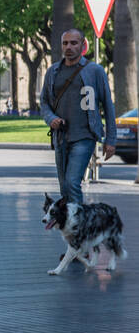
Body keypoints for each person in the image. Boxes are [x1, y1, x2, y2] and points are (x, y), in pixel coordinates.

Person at [40, 27, 117, 206]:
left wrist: (111, 139)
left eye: (74, 43)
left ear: (82, 45)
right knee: (64, 187)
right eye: (65, 43)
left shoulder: (95, 71)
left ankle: (79, 227)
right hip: (61, 137)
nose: (69, 47)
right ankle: (72, 225)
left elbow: (108, 105)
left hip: (85, 136)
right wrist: (51, 119)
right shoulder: (53, 72)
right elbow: (44, 102)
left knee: (72, 183)